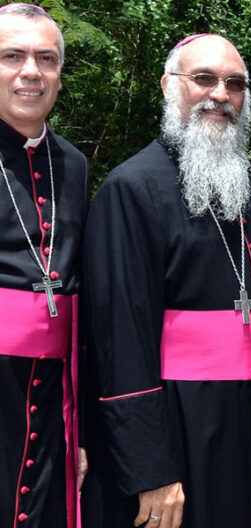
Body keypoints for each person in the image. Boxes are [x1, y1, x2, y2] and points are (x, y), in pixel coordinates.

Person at [81, 34, 251, 528]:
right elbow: (119, 341)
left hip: (238, 422)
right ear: (169, 86)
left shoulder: (236, 186)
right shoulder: (131, 187)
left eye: (235, 84)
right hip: (174, 428)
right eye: (204, 79)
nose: (221, 95)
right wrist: (150, 468)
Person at [0, 4, 88, 528]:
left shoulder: (73, 164)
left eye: (46, 59)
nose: (31, 71)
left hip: (55, 390)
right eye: (12, 56)